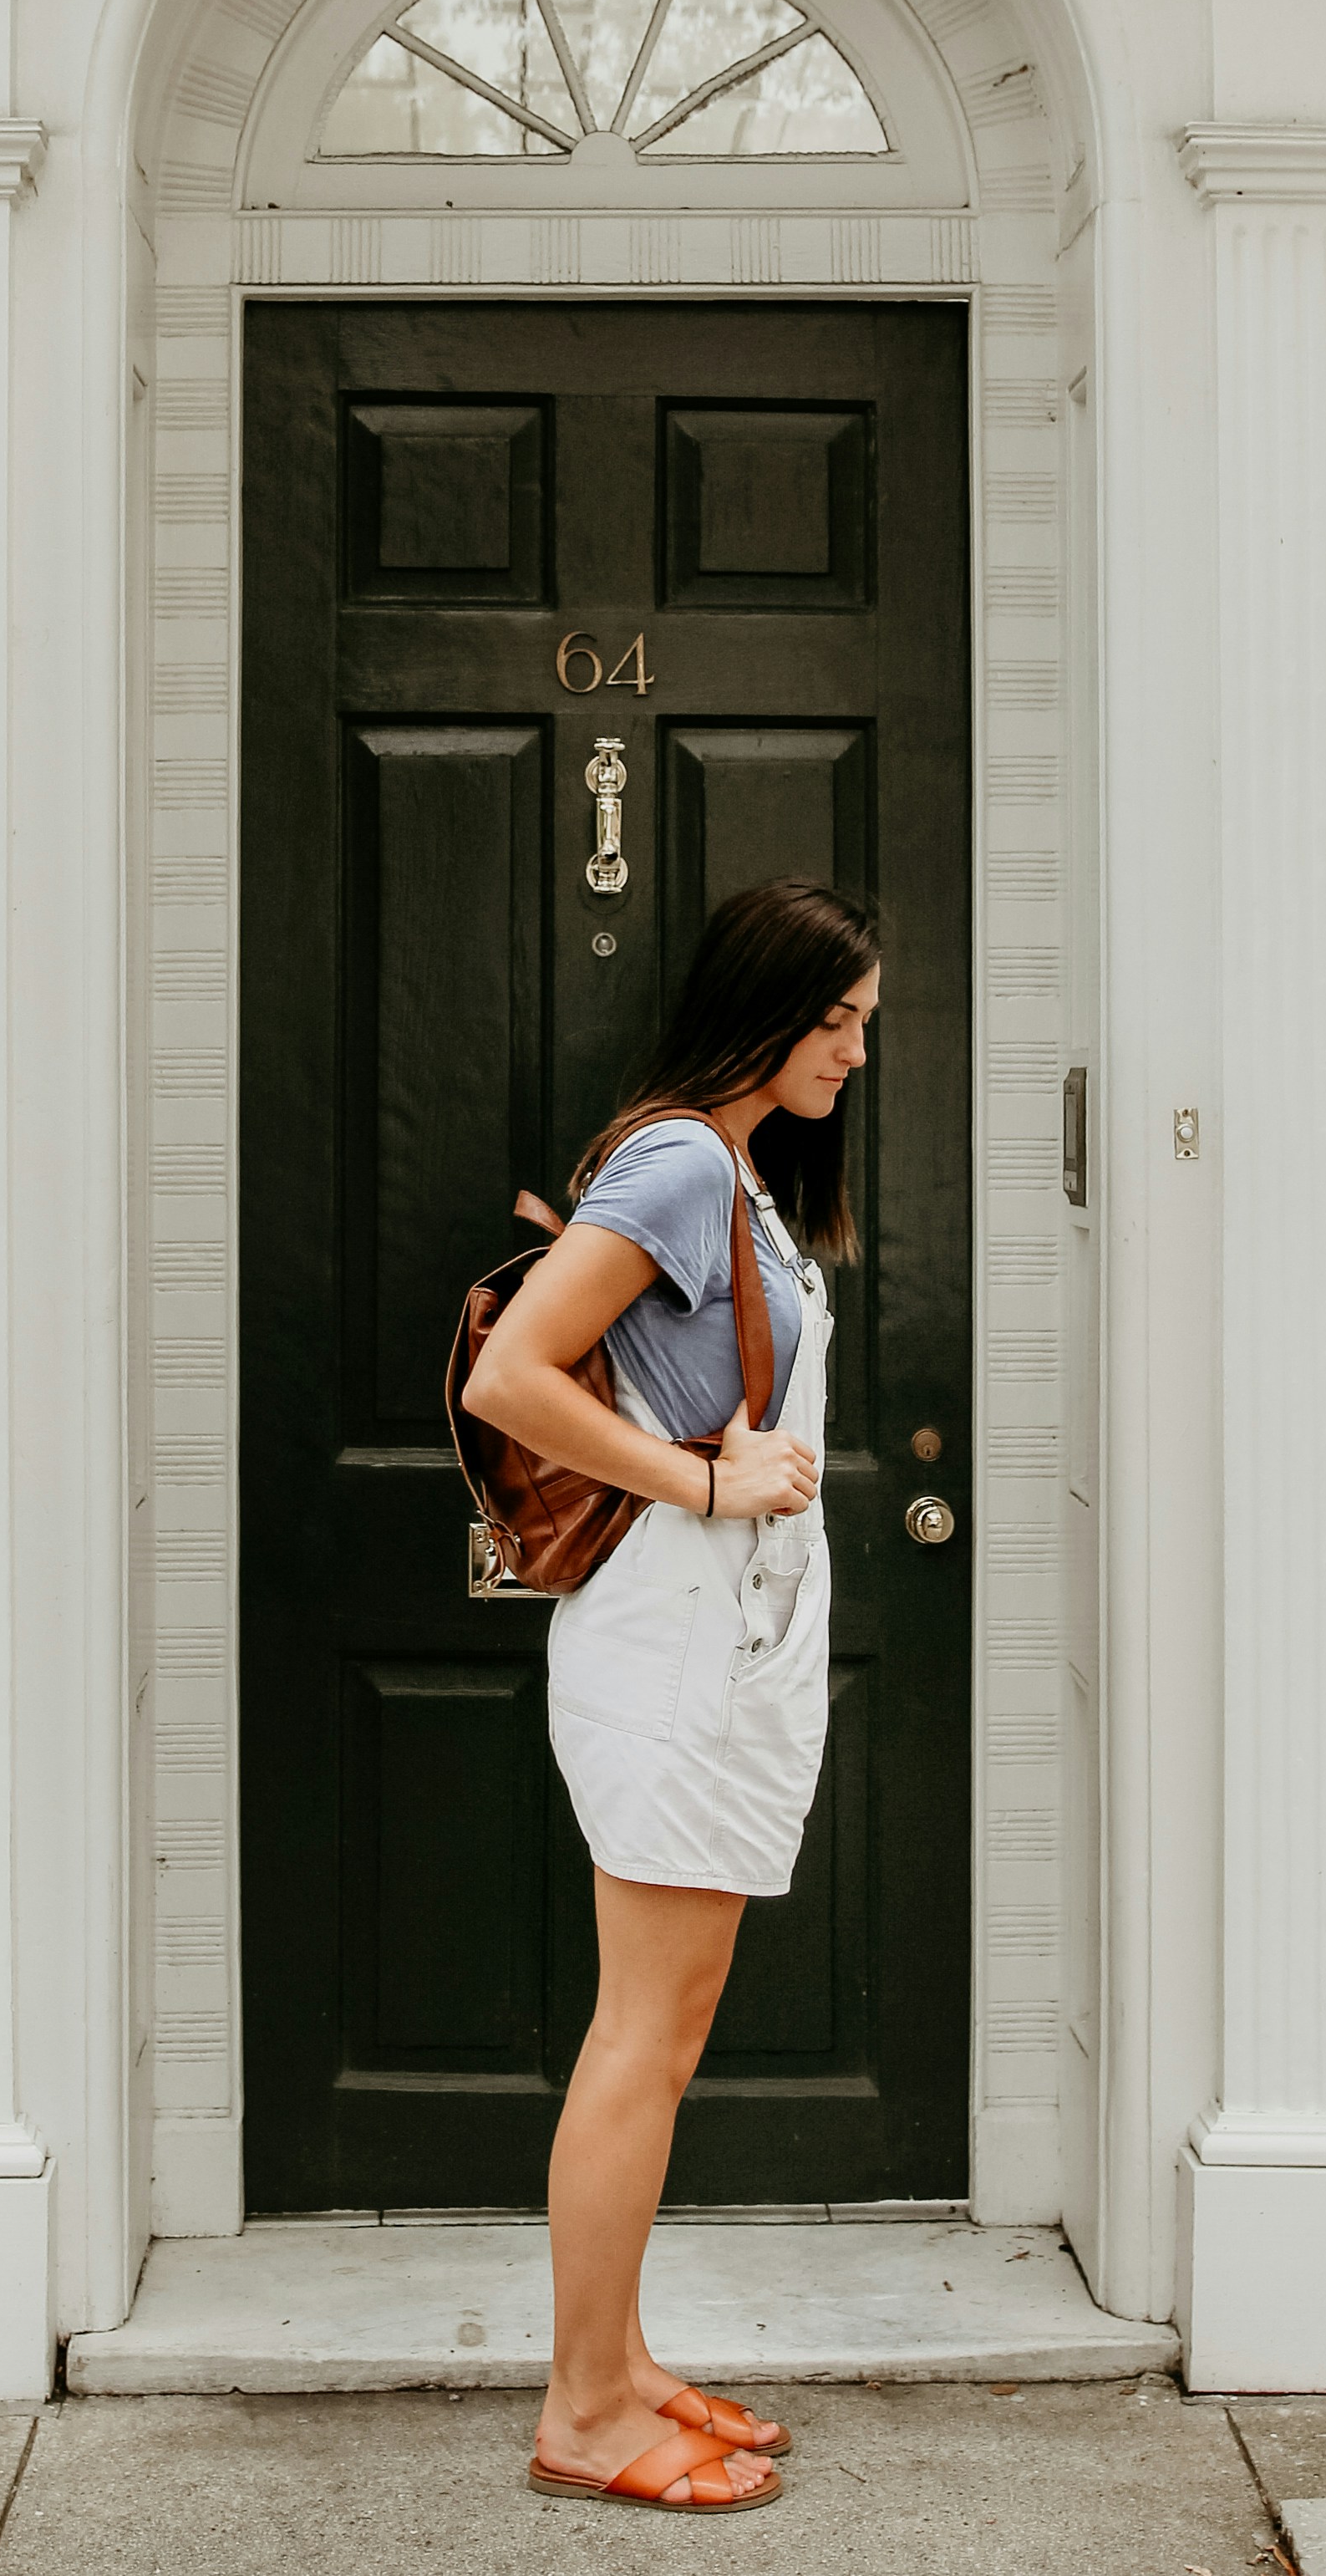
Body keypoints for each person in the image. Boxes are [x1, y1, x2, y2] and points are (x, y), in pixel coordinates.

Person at [460, 877, 881, 2512]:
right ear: (763, 1009)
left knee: (666, 2026)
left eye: (862, 1024)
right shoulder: (683, 1157)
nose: (853, 1050)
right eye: (833, 1019)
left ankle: (621, 2363)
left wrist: (712, 1471)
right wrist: (702, 1484)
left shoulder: (728, 1171)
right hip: (670, 1644)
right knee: (642, 2032)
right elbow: (511, 1378)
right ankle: (580, 2414)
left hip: (713, 1642)